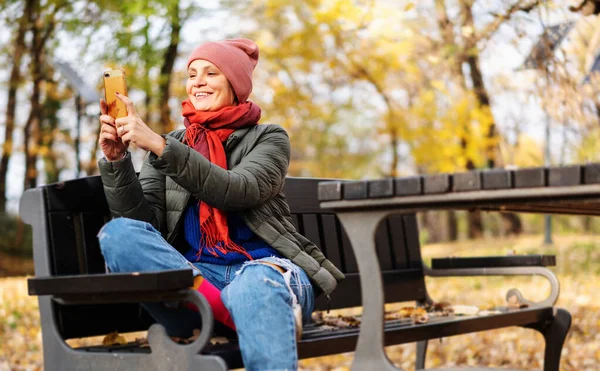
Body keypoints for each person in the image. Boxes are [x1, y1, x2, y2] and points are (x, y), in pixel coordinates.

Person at [96, 38, 345, 370]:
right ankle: (228, 311)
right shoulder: (170, 145)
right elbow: (147, 227)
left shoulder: (268, 138)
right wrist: (117, 163)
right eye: (192, 74)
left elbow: (237, 190)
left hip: (263, 269)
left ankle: (238, 308)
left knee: (254, 287)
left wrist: (159, 146)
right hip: (193, 278)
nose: (198, 81)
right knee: (119, 234)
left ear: (235, 84)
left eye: (211, 73)